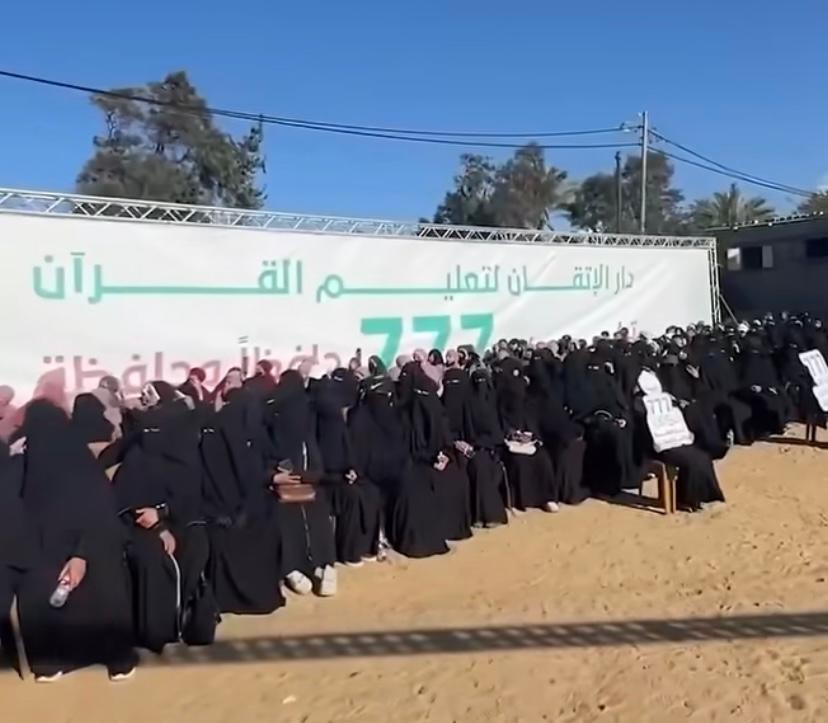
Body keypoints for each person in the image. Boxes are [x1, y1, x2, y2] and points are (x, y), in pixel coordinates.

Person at [14, 400, 137, 682]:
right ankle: (118, 661)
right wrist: (82, 554)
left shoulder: (30, 462)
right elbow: (101, 510)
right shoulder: (79, 458)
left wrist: (78, 554)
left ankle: (50, 663)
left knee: (38, 581)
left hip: (55, 546)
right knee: (105, 574)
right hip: (89, 542)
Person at [112, 381, 211, 653]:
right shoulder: (139, 455)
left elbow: (190, 496)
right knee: (152, 557)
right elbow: (129, 497)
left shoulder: (186, 453)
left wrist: (165, 514)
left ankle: (187, 615)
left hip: (179, 518)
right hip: (142, 523)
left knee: (197, 545)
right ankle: (158, 629)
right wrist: (158, 525)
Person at [200, 384, 283, 615]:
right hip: (239, 511)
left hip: (219, 511)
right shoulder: (243, 432)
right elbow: (251, 472)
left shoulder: (213, 429)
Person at [264, 370, 337, 597]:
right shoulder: (307, 410)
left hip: (285, 481)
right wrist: (307, 474)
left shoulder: (272, 411)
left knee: (292, 523)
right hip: (306, 479)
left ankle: (296, 570)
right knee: (314, 521)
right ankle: (323, 567)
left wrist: (278, 473)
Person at [312, 375, 382, 566]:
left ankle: (367, 546)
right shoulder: (320, 424)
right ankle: (348, 551)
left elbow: (348, 453)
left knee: (371, 491)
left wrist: (351, 470)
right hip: (325, 481)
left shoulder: (341, 423)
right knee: (352, 496)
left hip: (341, 475)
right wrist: (340, 475)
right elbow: (317, 465)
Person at [494, 357, 559, 512]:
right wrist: (511, 433)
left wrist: (531, 435)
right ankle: (521, 500)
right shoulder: (498, 396)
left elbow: (531, 417)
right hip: (508, 441)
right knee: (519, 462)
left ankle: (547, 498)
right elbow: (498, 419)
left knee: (543, 459)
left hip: (529, 440)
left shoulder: (526, 395)